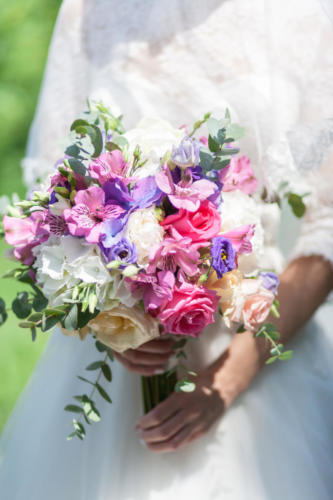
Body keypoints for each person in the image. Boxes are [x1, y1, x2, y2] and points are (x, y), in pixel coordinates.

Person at [1, 1, 333, 498]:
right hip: (117, 360)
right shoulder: (88, 12)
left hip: (258, 340)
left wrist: (230, 377)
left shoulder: (308, 14)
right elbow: (55, 198)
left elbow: (324, 229)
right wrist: (111, 322)